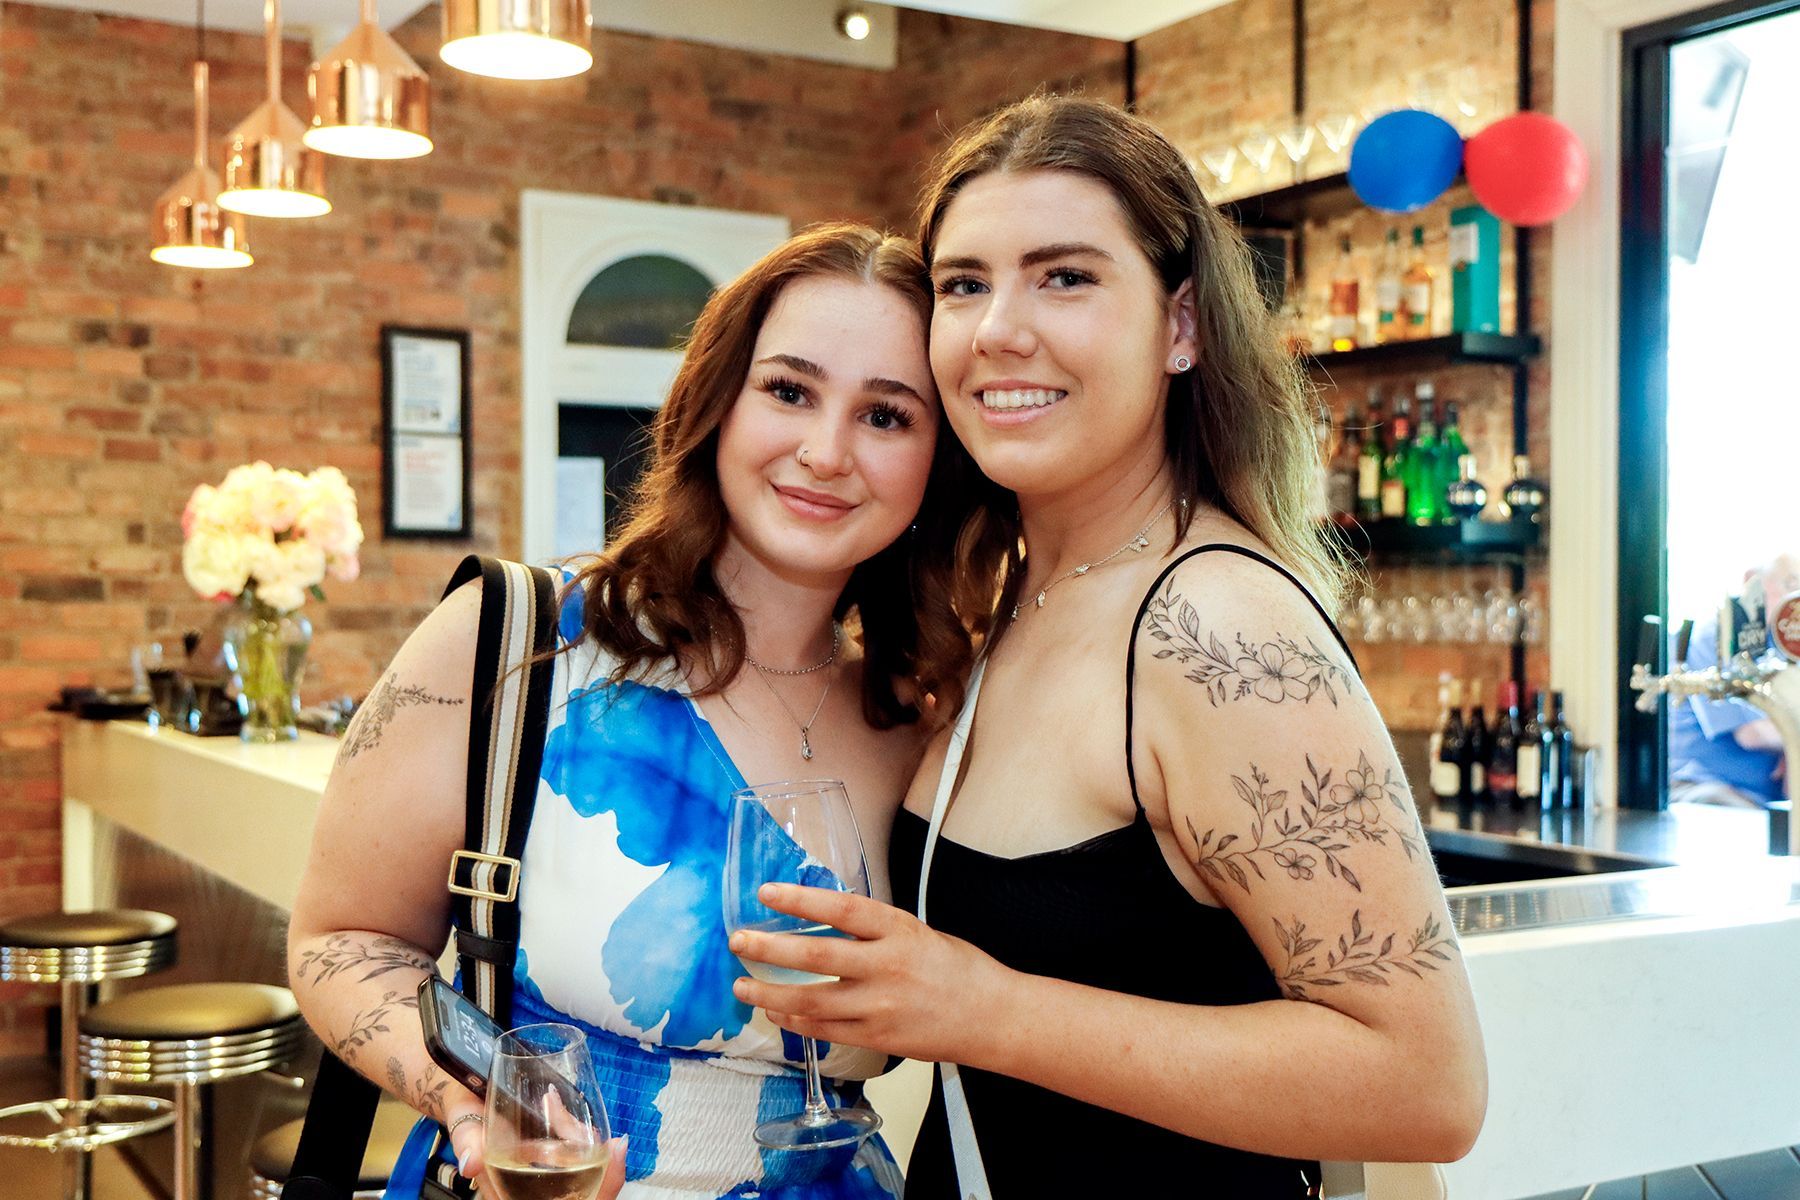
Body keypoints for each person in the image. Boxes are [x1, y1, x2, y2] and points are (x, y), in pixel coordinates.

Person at [728, 95, 1488, 1196]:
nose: (998, 331)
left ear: (1180, 326)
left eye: (1065, 276)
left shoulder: (1217, 625)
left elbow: (1427, 1084)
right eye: (964, 284)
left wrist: (983, 1010)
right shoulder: (1020, 592)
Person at [287, 223, 977, 1200]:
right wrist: (472, 1108)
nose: (826, 452)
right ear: (717, 403)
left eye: (888, 415)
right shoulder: (520, 637)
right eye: (788, 390)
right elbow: (340, 940)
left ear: (936, 460)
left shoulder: (929, 724)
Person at [1668, 552, 1800, 808]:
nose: (1794, 600)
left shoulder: (1788, 645)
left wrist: (1789, 745)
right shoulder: (1718, 638)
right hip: (1707, 787)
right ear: (1753, 583)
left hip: (1767, 801)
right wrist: (1791, 741)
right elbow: (1752, 734)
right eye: (1790, 585)